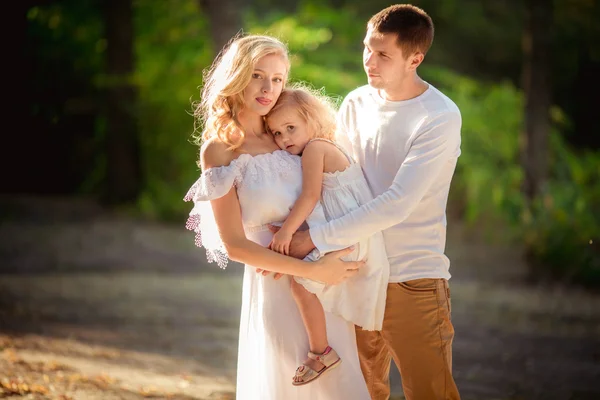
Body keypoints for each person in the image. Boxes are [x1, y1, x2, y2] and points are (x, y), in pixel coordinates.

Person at [275, 4, 463, 400]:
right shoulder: (357, 102)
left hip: (410, 278)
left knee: (429, 393)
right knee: (361, 393)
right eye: (367, 48)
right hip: (353, 272)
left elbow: (397, 203)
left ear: (415, 58)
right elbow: (334, 180)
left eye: (383, 54)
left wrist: (313, 239)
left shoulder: (439, 116)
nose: (369, 61)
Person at [183, 34, 371, 399]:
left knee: (340, 388)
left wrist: (329, 262)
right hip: (279, 286)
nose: (269, 88)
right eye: (257, 75)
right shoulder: (221, 151)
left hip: (327, 283)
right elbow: (235, 245)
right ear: (237, 75)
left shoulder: (290, 135)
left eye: (278, 78)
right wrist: (312, 271)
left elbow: (335, 193)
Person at [264, 85, 390, 386]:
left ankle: (321, 352)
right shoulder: (331, 146)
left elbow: (309, 197)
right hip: (354, 237)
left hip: (349, 239)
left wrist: (286, 231)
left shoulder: (315, 149)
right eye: (277, 133)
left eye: (291, 128)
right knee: (291, 263)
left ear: (312, 120)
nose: (284, 139)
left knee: (300, 285)